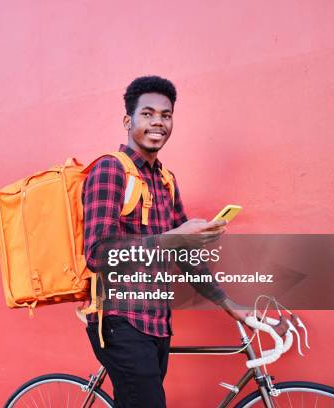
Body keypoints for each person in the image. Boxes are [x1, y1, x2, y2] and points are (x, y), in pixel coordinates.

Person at [82, 75, 249, 408]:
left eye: (166, 115)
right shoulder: (110, 171)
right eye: (147, 114)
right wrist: (173, 237)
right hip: (119, 321)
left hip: (157, 323)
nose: (158, 122)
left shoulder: (165, 180)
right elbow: (98, 254)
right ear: (128, 121)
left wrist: (228, 304)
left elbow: (183, 253)